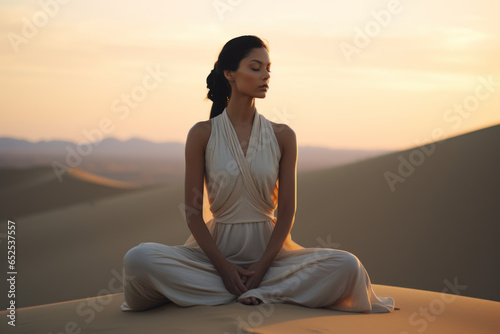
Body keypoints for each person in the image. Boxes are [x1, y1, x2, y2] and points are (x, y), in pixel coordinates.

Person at [121, 35, 396, 313]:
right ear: (230, 73)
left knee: (347, 265)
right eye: (255, 67)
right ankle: (250, 290)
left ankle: (254, 290)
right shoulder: (202, 134)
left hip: (273, 260)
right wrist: (225, 269)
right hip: (214, 260)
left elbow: (287, 210)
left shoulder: (283, 135)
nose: (266, 75)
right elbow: (192, 212)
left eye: (268, 68)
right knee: (138, 259)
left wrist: (262, 267)